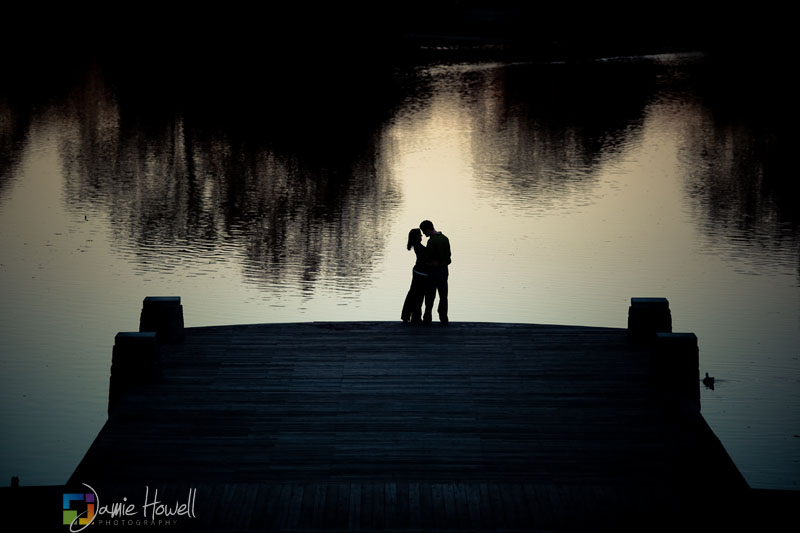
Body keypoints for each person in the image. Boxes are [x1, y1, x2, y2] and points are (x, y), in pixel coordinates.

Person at [419, 220, 451, 324]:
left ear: (428, 229)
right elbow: (448, 257)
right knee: (443, 295)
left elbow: (427, 257)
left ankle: (427, 317)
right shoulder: (445, 239)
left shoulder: (432, 241)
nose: (424, 234)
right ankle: (443, 317)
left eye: (424, 231)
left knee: (430, 295)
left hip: (433, 272)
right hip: (444, 270)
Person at [400, 228, 428, 324]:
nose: (421, 236)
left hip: (418, 272)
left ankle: (408, 315)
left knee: (413, 294)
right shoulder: (419, 247)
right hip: (421, 274)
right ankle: (415, 317)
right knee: (418, 296)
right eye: (420, 235)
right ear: (416, 237)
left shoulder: (418, 246)